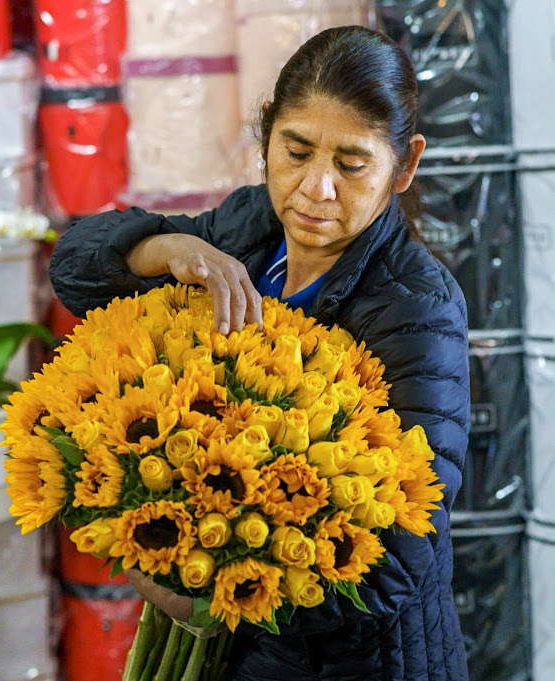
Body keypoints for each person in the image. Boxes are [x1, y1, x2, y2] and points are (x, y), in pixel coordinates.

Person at [49, 25, 470, 681]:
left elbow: (399, 559)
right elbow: (76, 269)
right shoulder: (249, 228)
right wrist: (167, 250)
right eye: (295, 150)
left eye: (350, 164)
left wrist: (210, 595)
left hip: (357, 663)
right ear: (266, 133)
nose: (313, 188)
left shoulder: (416, 306)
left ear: (405, 164)